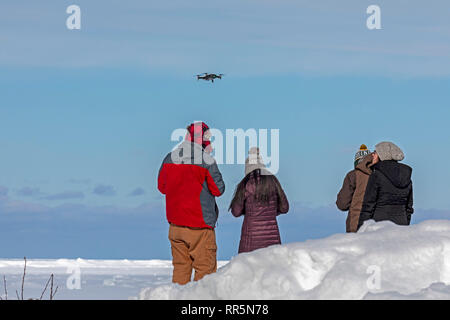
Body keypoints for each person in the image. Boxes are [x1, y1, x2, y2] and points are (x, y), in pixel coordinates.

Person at [157, 122, 225, 285]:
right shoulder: (206, 160)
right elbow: (218, 189)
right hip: (199, 226)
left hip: (176, 226)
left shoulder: (169, 158)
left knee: (181, 269)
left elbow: (162, 187)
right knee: (205, 273)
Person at [229, 147, 289, 254]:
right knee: (272, 269)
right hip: (272, 242)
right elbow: (285, 208)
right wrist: (270, 212)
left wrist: (248, 211)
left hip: (250, 241)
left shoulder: (246, 183)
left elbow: (236, 212)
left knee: (249, 269)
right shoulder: (273, 180)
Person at [358, 141, 414, 229]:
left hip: (379, 225)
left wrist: (360, 229)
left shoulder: (377, 175)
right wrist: (406, 224)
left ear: (382, 155)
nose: (372, 155)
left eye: (375, 152)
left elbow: (368, 206)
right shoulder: (406, 176)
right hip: (402, 225)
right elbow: (409, 208)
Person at [336, 144, 374, 232]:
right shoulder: (377, 175)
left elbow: (342, 204)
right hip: (375, 224)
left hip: (355, 223)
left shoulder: (352, 176)